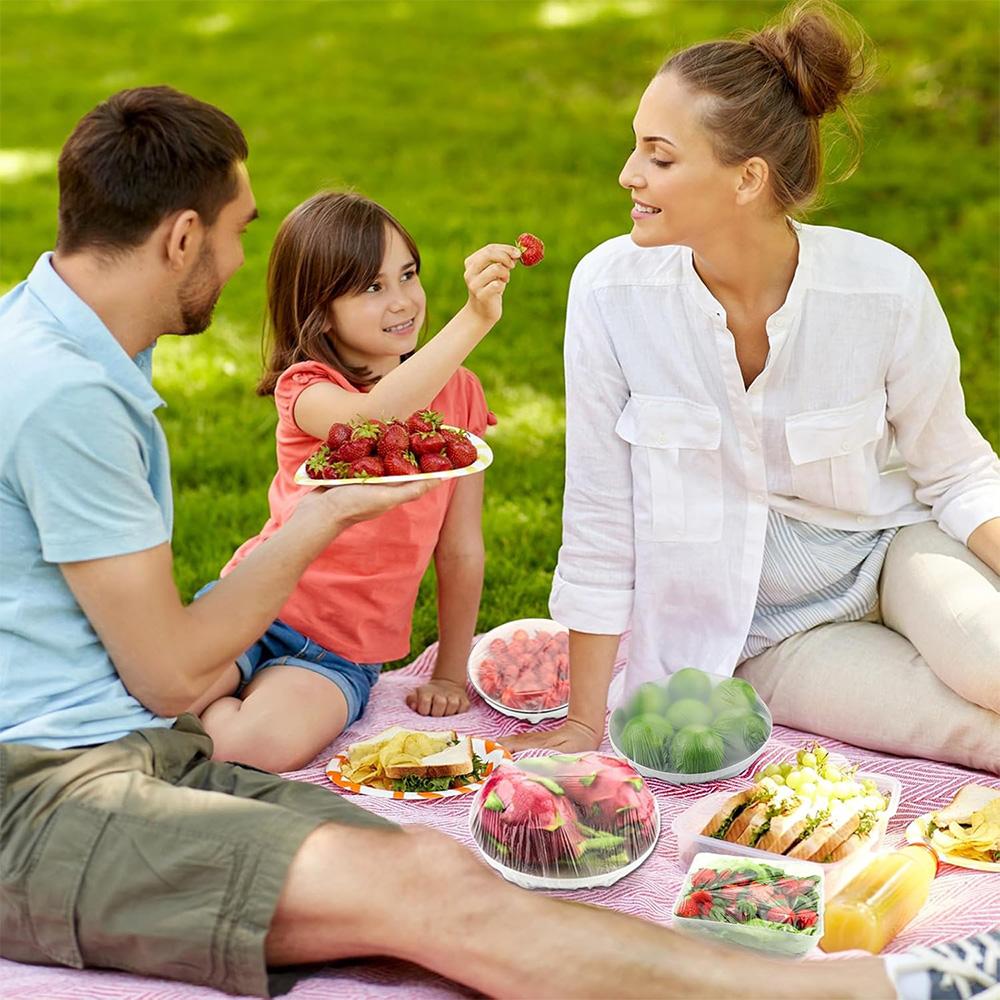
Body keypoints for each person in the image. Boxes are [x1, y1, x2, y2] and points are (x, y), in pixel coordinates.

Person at [2, 79, 997, 1000]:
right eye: (234, 232)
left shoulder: (55, 355)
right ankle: (871, 990)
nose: (238, 258)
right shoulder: (67, 395)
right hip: (47, 796)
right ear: (181, 238)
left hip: (122, 757)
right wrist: (318, 519)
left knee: (431, 865)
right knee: (433, 899)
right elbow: (177, 674)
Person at [503, 0, 1000, 774]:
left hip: (892, 549)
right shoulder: (610, 291)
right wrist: (584, 721)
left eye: (659, 157)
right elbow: (599, 510)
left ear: (747, 179)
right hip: (760, 632)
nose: (627, 175)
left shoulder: (882, 289)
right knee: (972, 736)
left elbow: (958, 469)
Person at [194, 192, 513, 772]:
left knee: (252, 749)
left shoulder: (460, 393)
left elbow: (460, 545)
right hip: (251, 605)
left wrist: (449, 670)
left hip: (340, 651)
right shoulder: (307, 388)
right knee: (154, 694)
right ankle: (203, 703)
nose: (403, 301)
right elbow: (372, 421)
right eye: (371, 287)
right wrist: (474, 318)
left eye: (408, 275)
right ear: (320, 309)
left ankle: (207, 716)